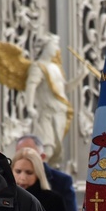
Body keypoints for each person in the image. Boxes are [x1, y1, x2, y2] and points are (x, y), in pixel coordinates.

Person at [16, 134, 78, 211]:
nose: (24, 158)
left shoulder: (61, 182)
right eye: (20, 154)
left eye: (31, 154)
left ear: (42, 157)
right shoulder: (6, 189)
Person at [24, 33, 73, 166]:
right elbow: (31, 86)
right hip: (47, 113)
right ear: (46, 46)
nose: (57, 48)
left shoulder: (56, 68)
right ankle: (40, 178)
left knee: (57, 153)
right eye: (54, 45)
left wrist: (82, 75)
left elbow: (65, 88)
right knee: (47, 149)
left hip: (60, 112)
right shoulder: (38, 66)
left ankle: (49, 180)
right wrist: (29, 106)